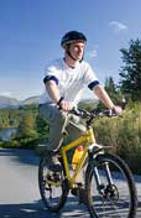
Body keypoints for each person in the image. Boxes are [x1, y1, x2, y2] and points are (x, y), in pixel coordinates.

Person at [39, 30, 122, 172]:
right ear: (67, 48)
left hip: (71, 109)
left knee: (85, 137)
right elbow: (50, 84)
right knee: (61, 115)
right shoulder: (55, 65)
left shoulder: (84, 68)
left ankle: (75, 177)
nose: (80, 50)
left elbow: (97, 88)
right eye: (76, 47)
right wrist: (59, 101)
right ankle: (51, 153)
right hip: (49, 105)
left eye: (83, 47)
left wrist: (112, 106)